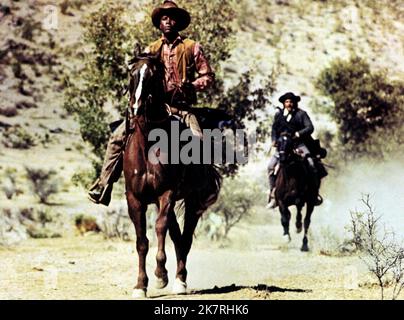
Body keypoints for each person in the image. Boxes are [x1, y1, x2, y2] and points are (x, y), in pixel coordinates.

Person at [88, 0, 215, 206]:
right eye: (164, 18)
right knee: (117, 137)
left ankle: (201, 187)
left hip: (182, 110)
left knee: (199, 141)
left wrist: (192, 85)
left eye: (172, 18)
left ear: (178, 22)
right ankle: (103, 185)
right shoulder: (151, 49)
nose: (168, 21)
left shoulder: (192, 47)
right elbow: (141, 76)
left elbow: (207, 76)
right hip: (154, 109)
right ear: (159, 23)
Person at [267, 92, 325, 209]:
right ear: (284, 103)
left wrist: (299, 133)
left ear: (295, 103)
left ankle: (313, 195)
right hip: (283, 147)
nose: (289, 104)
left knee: (312, 165)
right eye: (287, 102)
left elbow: (310, 127)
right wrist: (274, 140)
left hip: (299, 145)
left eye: (291, 102)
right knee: (270, 166)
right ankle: (273, 195)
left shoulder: (301, 114)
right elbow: (274, 129)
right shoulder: (279, 115)